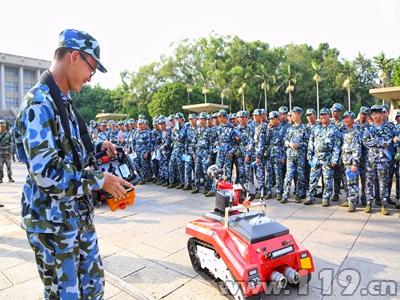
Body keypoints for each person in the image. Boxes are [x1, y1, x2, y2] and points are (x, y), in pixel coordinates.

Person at [13, 29, 133, 299]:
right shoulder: (39, 104)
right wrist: (100, 180)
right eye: (92, 68)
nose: (91, 78)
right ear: (75, 57)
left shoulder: (62, 101)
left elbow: (70, 148)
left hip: (75, 219)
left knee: (92, 289)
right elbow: (47, 173)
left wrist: (99, 146)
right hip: (53, 225)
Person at [305, 108, 341, 207]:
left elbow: (337, 145)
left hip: (328, 157)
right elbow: (310, 143)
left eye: (325, 115)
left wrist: (334, 159)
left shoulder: (334, 129)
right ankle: (310, 197)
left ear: (329, 116)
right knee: (313, 178)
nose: (323, 117)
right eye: (321, 115)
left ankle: (326, 198)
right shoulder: (316, 128)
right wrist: (309, 156)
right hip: (316, 157)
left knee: (327, 179)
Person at [0, 119, 14, 185]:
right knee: (0, 167)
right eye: (0, 126)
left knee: (9, 167)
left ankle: (10, 178)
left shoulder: (8, 134)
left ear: (5, 126)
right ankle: (0, 178)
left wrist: (11, 152)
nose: (1, 127)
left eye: (3, 126)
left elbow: (11, 143)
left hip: (7, 153)